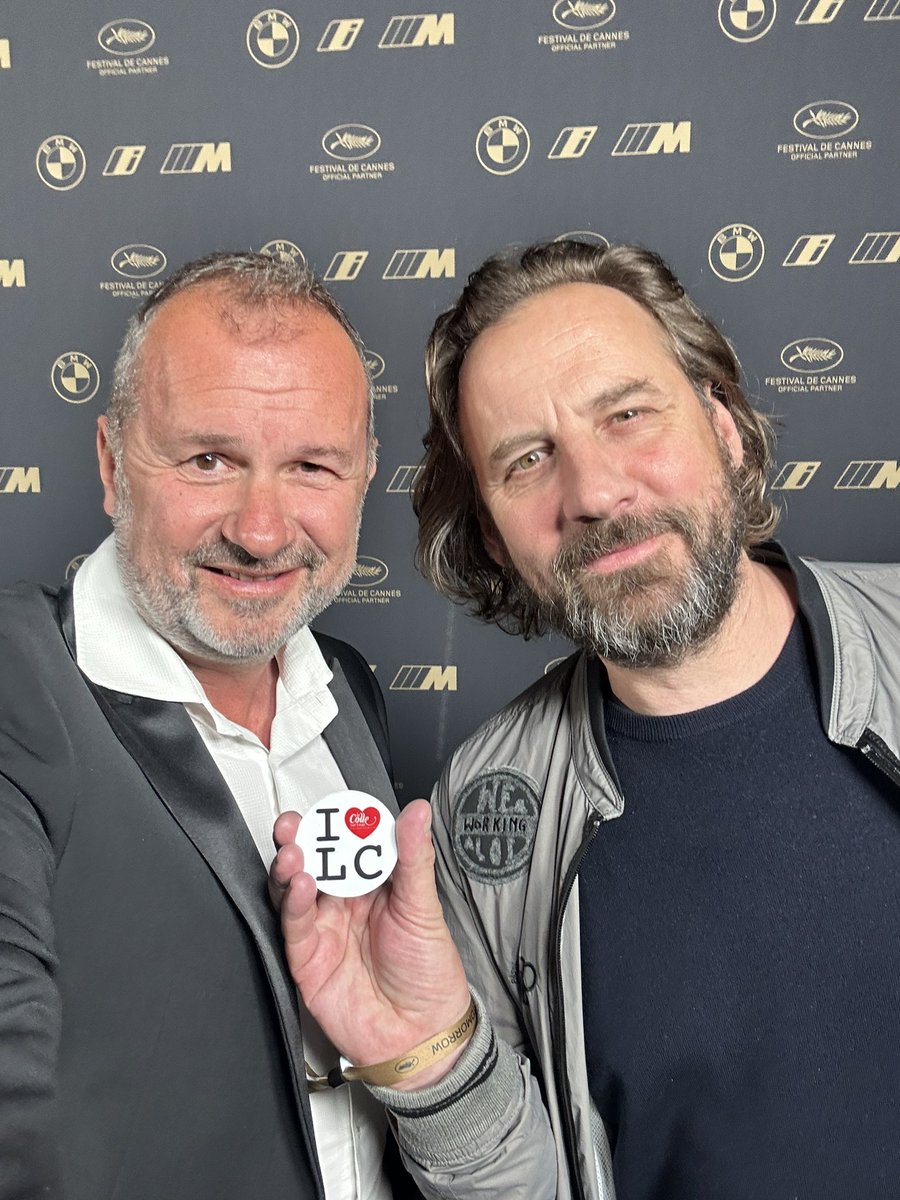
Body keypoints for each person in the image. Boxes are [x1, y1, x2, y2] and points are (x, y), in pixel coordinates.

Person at [0, 250, 550, 1200]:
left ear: (365, 477)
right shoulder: (14, 680)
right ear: (110, 462)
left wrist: (422, 1045)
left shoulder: (342, 686)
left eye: (311, 467)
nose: (261, 530)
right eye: (209, 459)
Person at [405, 239, 900, 1199]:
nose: (593, 493)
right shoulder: (483, 810)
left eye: (627, 415)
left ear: (724, 427)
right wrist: (427, 1073)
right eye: (528, 460)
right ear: (495, 538)